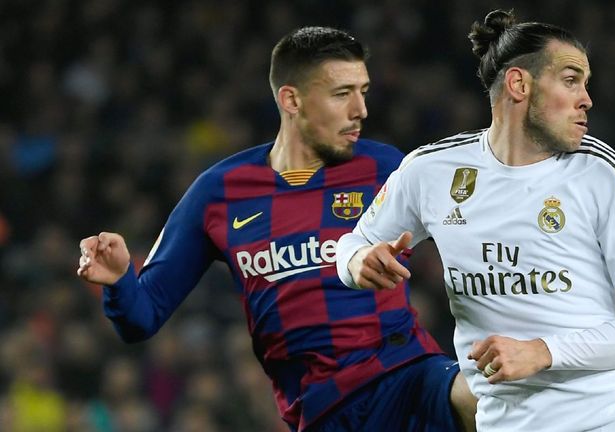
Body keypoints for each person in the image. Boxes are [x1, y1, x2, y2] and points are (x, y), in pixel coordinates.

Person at [76, 26, 477, 432]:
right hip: (322, 409)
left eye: (364, 91)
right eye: (342, 94)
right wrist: (119, 280)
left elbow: (478, 232)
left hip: (407, 372)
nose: (361, 109)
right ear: (291, 100)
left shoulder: (387, 168)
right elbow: (141, 318)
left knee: (493, 404)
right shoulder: (219, 192)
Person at [337, 10, 615, 431]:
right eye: (571, 79)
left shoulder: (605, 175)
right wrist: (358, 264)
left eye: (586, 84)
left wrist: (541, 351)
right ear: (520, 84)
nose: (587, 99)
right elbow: (352, 245)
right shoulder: (431, 171)